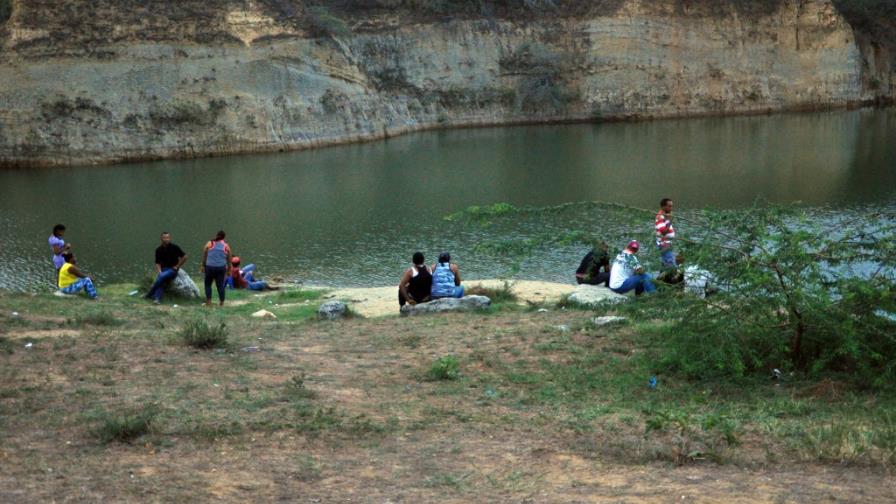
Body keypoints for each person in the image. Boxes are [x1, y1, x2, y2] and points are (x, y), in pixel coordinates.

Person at [146, 232, 188, 304]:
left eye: (168, 238)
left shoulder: (175, 247)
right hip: (163, 270)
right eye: (164, 238)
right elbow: (157, 263)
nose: (166, 239)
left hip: (172, 270)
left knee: (161, 277)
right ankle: (157, 299)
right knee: (162, 281)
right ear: (161, 239)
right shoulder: (158, 250)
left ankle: (149, 294)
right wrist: (159, 271)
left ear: (170, 238)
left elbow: (185, 257)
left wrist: (177, 266)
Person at [201, 230, 232, 306]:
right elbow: (229, 259)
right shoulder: (226, 245)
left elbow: (204, 254)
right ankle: (221, 303)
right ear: (224, 238)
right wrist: (229, 270)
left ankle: (209, 302)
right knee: (220, 285)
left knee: (207, 284)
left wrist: (203, 265)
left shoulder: (210, 243)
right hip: (221, 268)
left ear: (216, 235)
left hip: (209, 267)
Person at [656, 198, 677, 268]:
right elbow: (663, 232)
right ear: (663, 206)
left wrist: (669, 218)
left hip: (668, 243)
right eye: (669, 206)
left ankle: (663, 277)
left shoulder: (666, 215)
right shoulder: (660, 217)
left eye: (672, 206)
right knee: (671, 265)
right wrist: (670, 220)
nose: (671, 208)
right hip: (664, 244)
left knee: (665, 264)